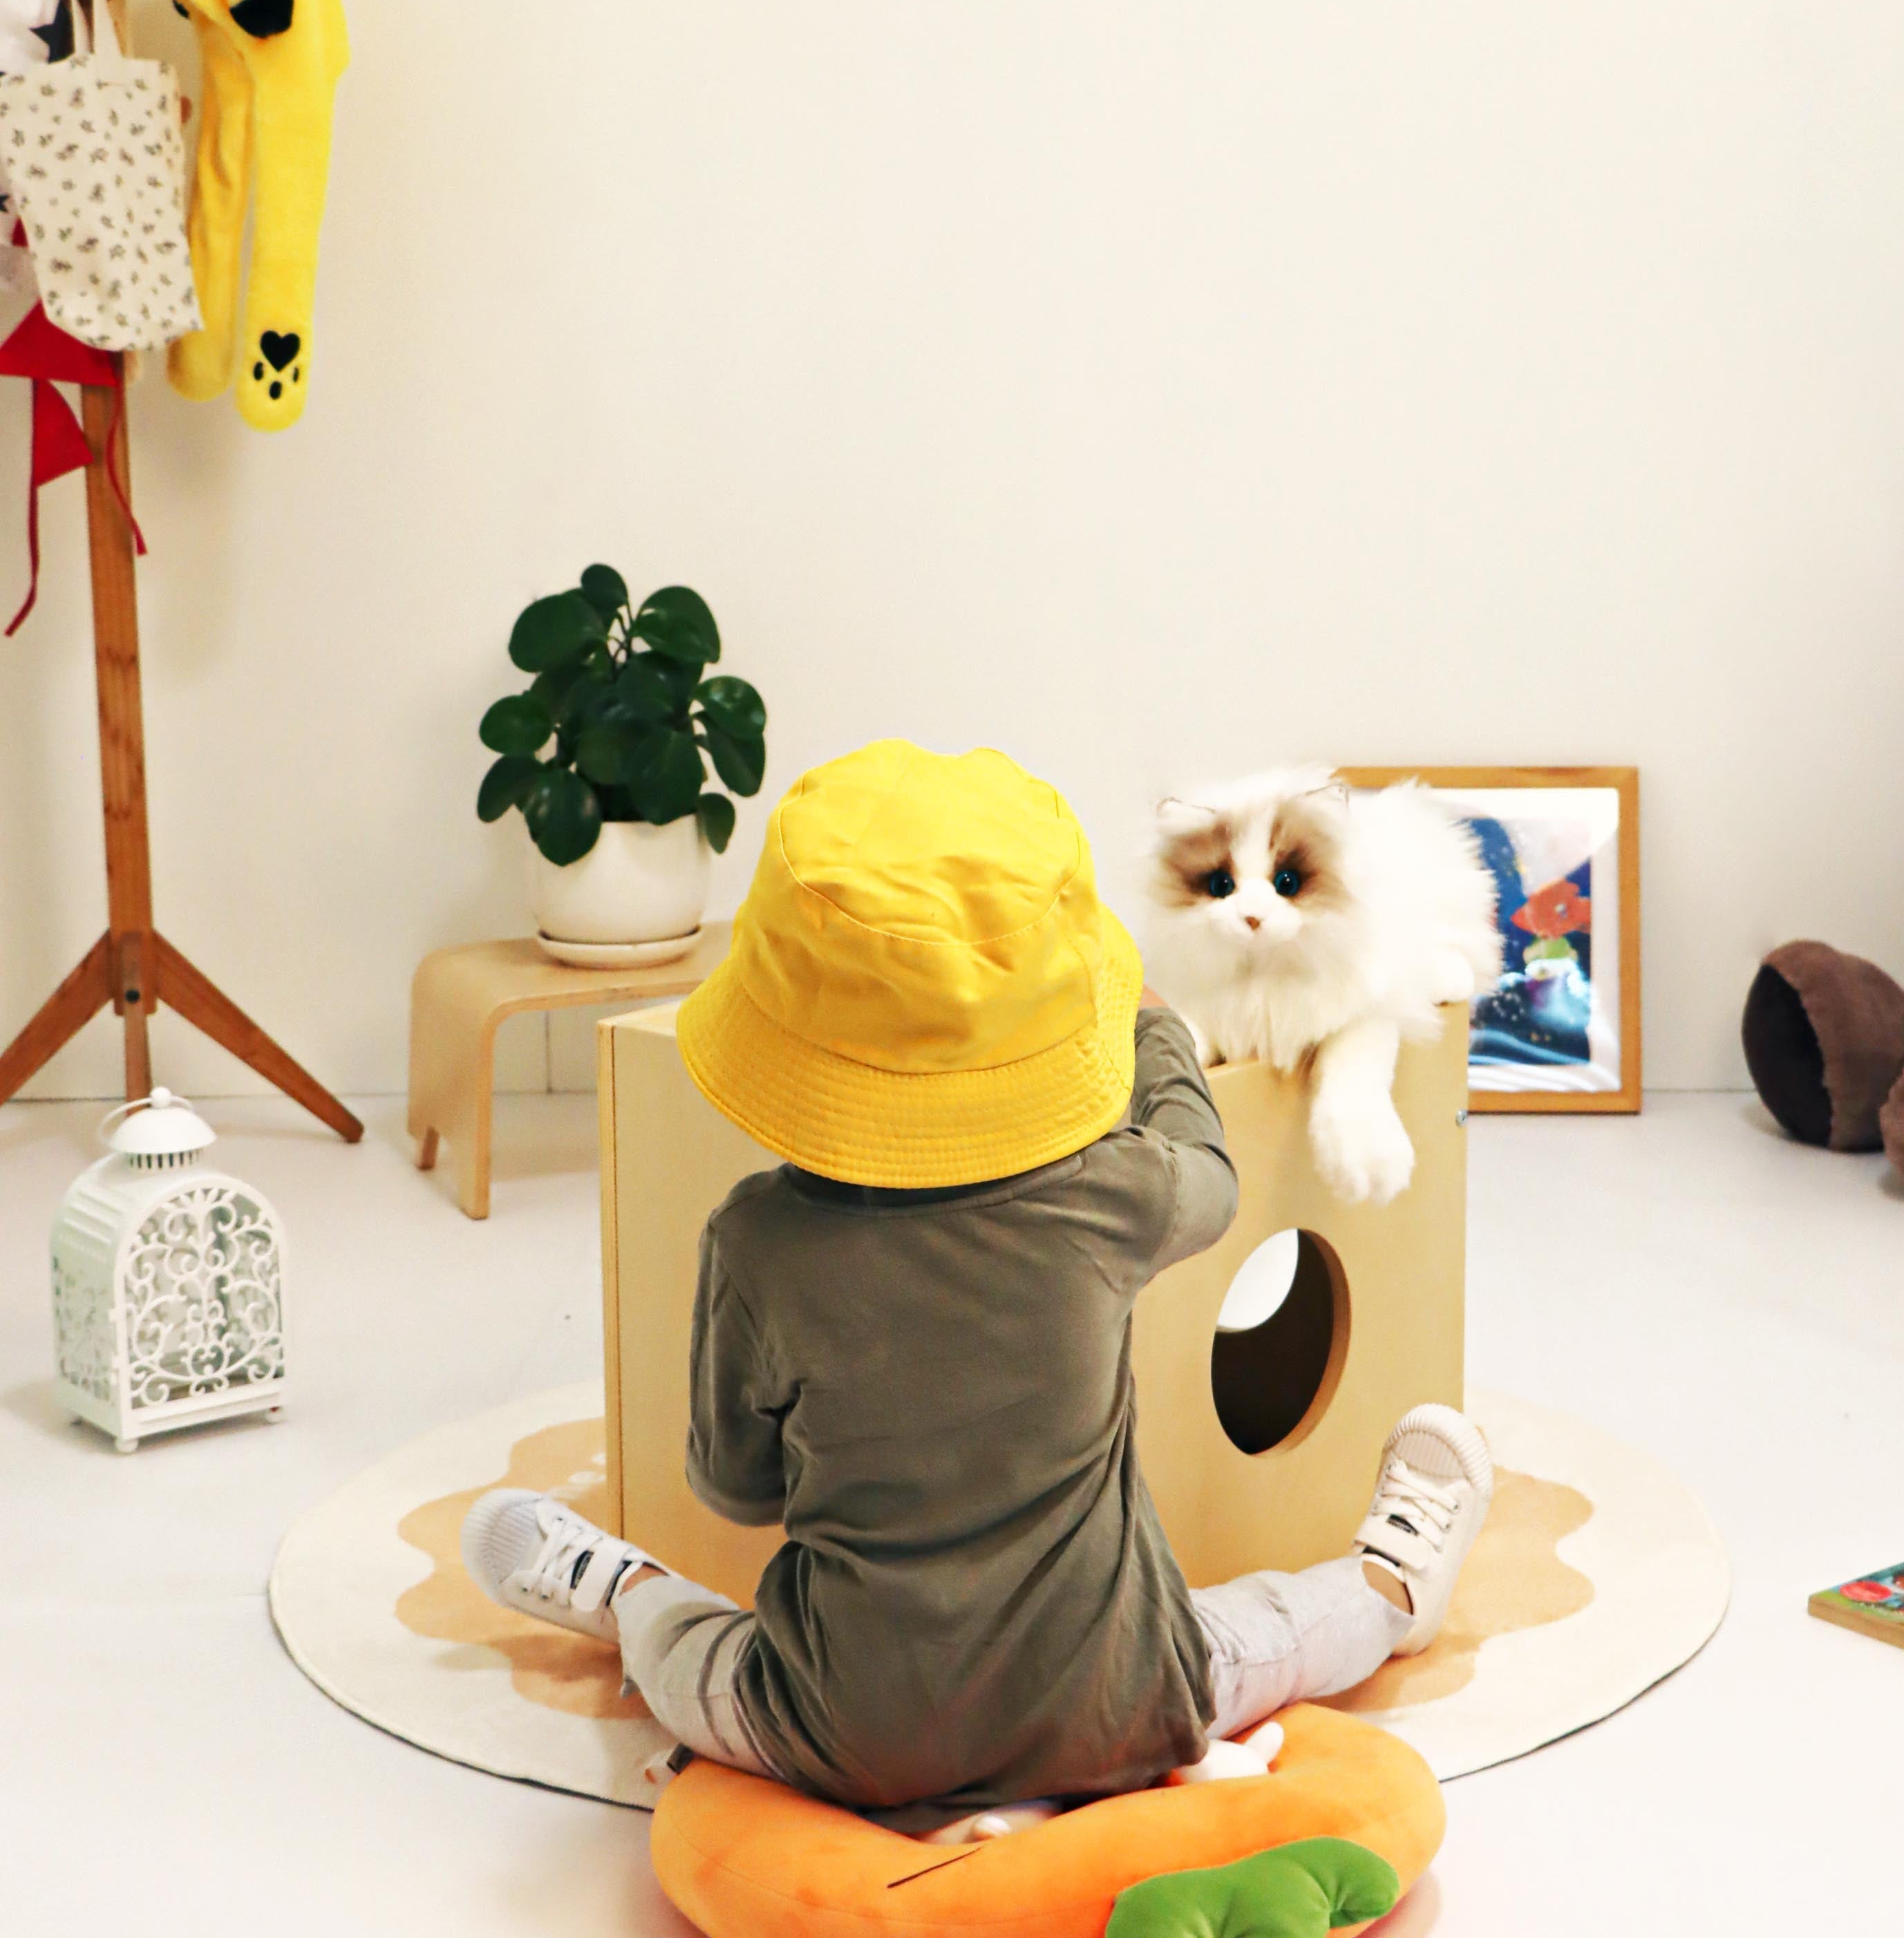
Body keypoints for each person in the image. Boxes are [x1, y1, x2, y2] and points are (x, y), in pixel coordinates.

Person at [462, 740, 1492, 1828]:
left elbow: (738, 1489)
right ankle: (1392, 1587)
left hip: (845, 1732)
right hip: (1125, 1703)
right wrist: (1151, 1029)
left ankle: (617, 1591)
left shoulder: (758, 1239)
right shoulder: (1116, 1194)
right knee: (1267, 1631)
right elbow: (1214, 1177)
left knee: (696, 1659)